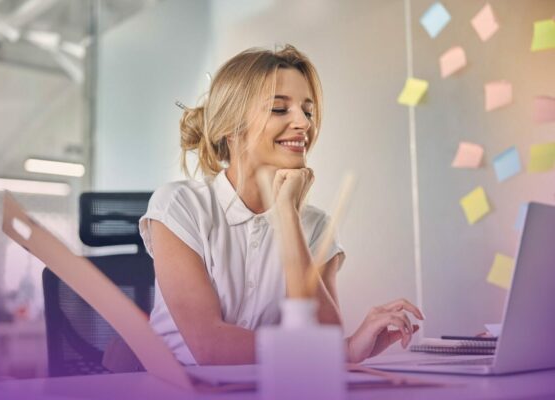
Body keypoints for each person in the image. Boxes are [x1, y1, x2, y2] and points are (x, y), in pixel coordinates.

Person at [138, 44, 424, 366]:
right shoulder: (180, 207)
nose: (303, 123)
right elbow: (211, 347)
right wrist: (337, 351)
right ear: (231, 128)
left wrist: (287, 215)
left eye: (308, 111)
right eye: (279, 109)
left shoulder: (314, 226)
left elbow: (324, 340)